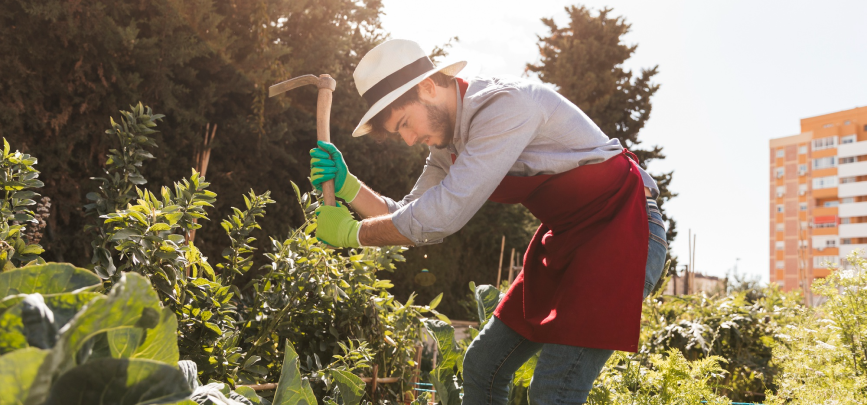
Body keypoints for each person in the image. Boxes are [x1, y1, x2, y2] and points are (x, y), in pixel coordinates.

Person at [309, 39, 667, 404]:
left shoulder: (504, 106)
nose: (408, 139)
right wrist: (349, 187)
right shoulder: (447, 145)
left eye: (405, 123)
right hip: (566, 240)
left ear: (428, 87)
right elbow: (409, 213)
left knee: (554, 391)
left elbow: (444, 214)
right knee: (483, 367)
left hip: (622, 230)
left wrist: (352, 234)